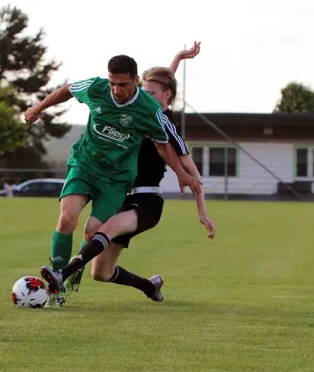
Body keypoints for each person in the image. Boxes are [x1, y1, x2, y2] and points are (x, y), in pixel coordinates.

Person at [41, 42, 215, 303]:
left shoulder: (162, 123)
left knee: (101, 229)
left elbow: (191, 172)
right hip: (120, 193)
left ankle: (62, 275)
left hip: (145, 201)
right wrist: (179, 57)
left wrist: (202, 210)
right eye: (142, 90)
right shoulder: (141, 105)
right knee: (100, 272)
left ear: (167, 95)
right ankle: (149, 286)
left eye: (151, 92)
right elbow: (159, 82)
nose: (142, 95)